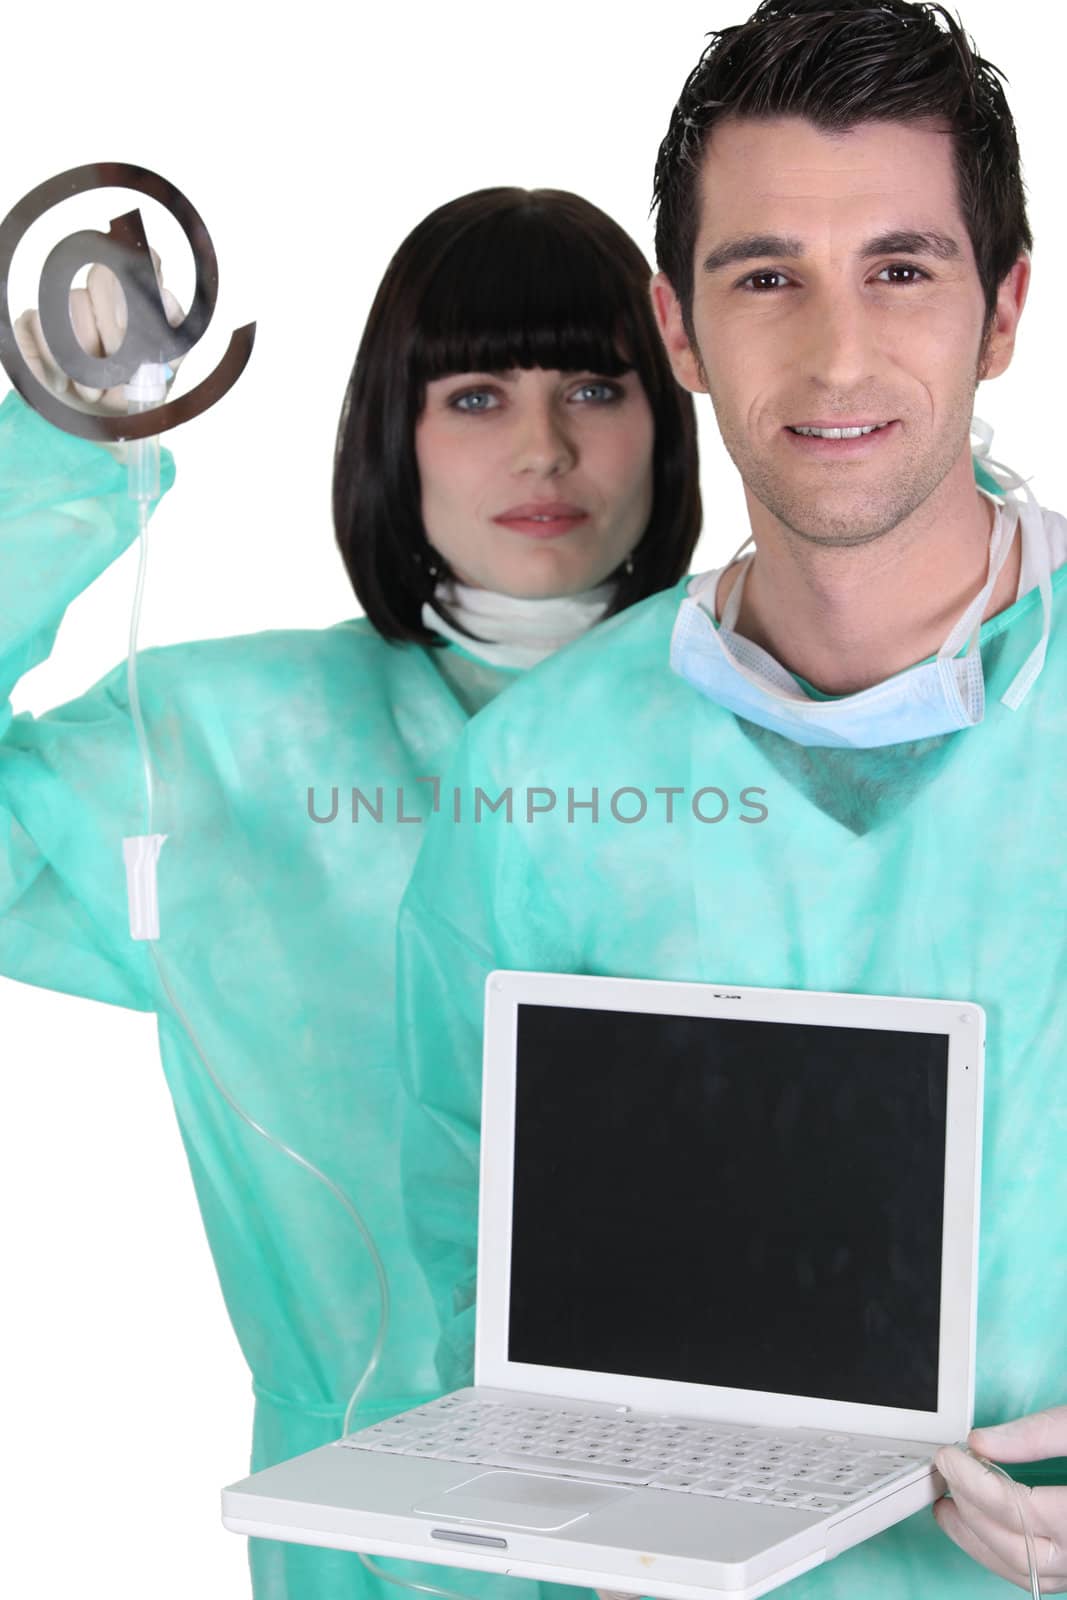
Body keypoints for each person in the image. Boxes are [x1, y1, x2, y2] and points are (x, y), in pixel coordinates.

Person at [397, 6, 1067, 1597]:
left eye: (901, 268)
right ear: (679, 330)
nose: (837, 352)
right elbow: (454, 1267)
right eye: (766, 277)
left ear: (1004, 311)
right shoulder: (546, 774)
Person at [0, 185, 700, 1600]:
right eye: (476, 394)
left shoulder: (782, 726)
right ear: (396, 429)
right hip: (364, 1552)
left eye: (592, 383)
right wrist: (55, 453)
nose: (544, 446)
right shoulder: (226, 752)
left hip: (746, 1538)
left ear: (668, 415)